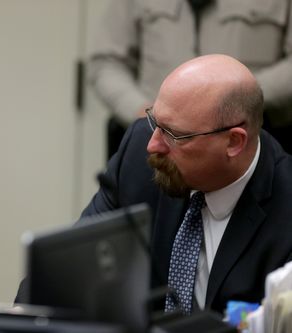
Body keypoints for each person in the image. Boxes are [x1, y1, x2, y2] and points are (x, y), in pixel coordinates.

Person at [79, 54, 292, 315]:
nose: (152, 145)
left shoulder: (286, 207)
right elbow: (73, 267)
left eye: (173, 134)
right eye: (155, 122)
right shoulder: (138, 156)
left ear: (234, 142)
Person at [89, 0, 292, 159]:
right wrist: (142, 113)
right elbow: (106, 63)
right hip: (156, 146)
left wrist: (238, 97)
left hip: (251, 143)